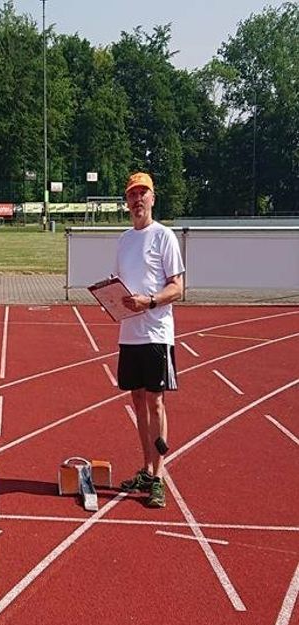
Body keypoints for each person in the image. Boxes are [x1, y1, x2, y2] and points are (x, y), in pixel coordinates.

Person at [115, 172, 185, 509]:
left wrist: (151, 301)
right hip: (129, 333)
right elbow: (122, 286)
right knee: (138, 401)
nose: (138, 199)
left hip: (156, 334)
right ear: (126, 201)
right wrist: (112, 301)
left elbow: (178, 287)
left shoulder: (165, 237)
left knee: (156, 402)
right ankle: (145, 468)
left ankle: (159, 476)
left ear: (153, 199)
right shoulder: (125, 239)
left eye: (143, 193)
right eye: (132, 194)